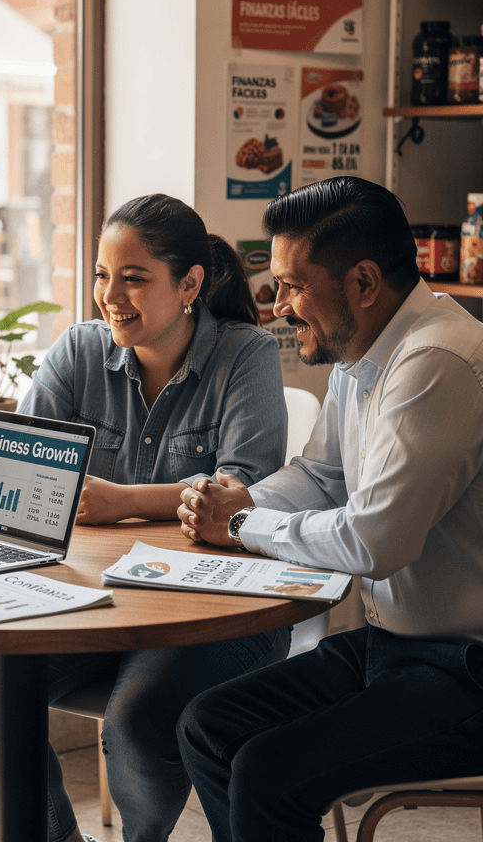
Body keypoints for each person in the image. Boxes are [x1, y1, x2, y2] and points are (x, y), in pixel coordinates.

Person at [0, 194, 289, 842]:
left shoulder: (247, 355)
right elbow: (16, 465)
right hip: (102, 606)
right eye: (103, 275)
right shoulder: (78, 351)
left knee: (135, 721)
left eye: (133, 278)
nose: (110, 295)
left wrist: (125, 500)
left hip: (214, 615)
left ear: (190, 284)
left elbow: (244, 490)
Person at [175, 176, 483, 842]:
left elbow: (376, 541)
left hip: (466, 670)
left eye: (292, 284)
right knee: (207, 726)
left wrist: (242, 526)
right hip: (395, 645)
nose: (278, 304)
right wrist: (243, 501)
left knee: (268, 771)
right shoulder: (360, 349)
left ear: (364, 282)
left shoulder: (437, 360)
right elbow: (323, 472)